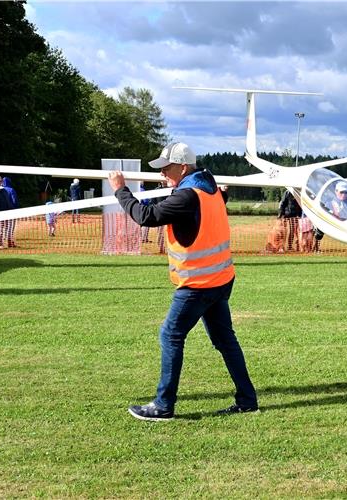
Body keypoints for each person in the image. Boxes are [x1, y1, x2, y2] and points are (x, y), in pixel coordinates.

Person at [108, 142, 258, 421]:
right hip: (220, 280)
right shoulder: (209, 188)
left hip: (198, 284)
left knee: (170, 335)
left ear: (184, 167)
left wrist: (120, 188)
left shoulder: (188, 196)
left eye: (167, 168)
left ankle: (163, 406)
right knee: (226, 341)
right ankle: (247, 400)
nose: (163, 173)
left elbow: (145, 216)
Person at [2, 177, 18, 247]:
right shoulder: (11, 190)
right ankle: (9, 241)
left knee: (3, 227)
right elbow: (14, 201)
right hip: (11, 211)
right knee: (10, 226)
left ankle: (2, 241)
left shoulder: (0, 189)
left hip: (2, 211)